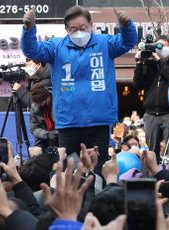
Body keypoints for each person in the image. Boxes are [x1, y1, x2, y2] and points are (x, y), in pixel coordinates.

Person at [22, 6, 137, 172]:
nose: (79, 33)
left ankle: (96, 197)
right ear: (66, 29)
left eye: (83, 28)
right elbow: (32, 50)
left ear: (91, 24)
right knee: (70, 171)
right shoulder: (56, 47)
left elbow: (127, 42)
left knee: (97, 171)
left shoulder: (105, 43)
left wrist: (126, 25)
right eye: (73, 29)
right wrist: (28, 29)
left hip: (98, 122)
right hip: (68, 124)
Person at [133, 35, 169, 178]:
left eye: (163, 46)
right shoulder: (151, 64)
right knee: (151, 149)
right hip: (150, 113)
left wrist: (161, 61)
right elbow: (138, 84)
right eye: (157, 45)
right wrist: (139, 63)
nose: (159, 49)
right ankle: (151, 178)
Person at [29, 83, 58, 149]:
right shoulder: (34, 106)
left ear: (47, 97)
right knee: (35, 152)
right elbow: (34, 128)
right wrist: (47, 134)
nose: (38, 105)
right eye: (36, 103)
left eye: (40, 102)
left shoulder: (57, 101)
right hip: (45, 138)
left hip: (60, 135)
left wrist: (56, 133)